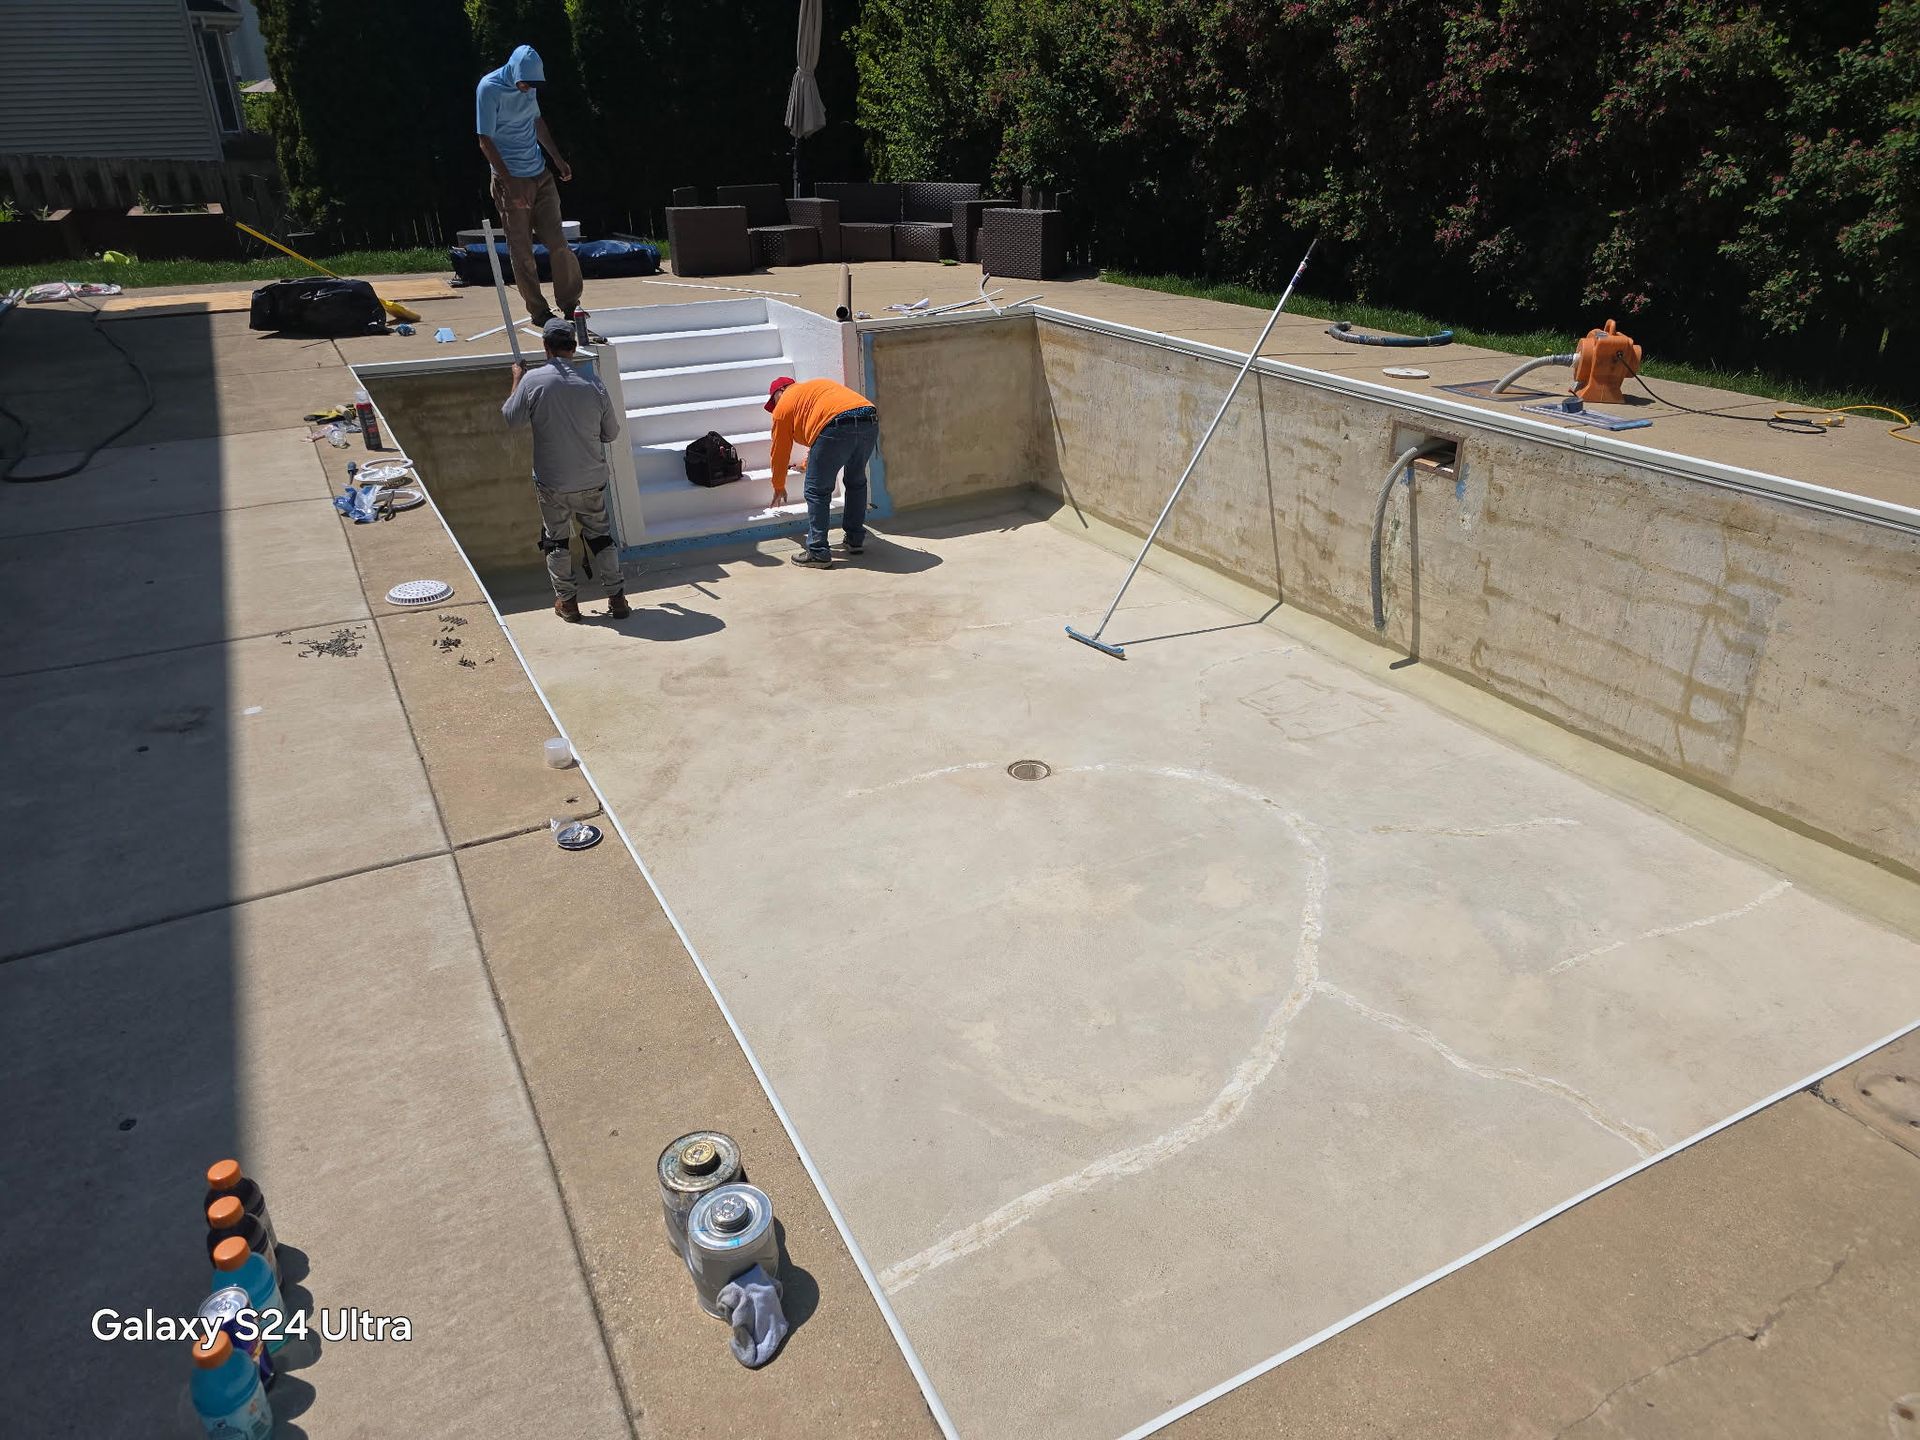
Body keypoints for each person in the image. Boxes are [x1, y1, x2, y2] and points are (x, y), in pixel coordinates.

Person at [503, 318, 628, 621]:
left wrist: (517, 378)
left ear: (546, 347)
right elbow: (611, 433)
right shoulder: (594, 383)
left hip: (553, 482)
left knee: (556, 539)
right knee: (601, 536)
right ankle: (617, 599)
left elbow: (511, 418)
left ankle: (568, 604)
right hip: (591, 478)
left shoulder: (534, 381)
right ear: (573, 346)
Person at [475, 44, 583, 327]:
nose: (527, 89)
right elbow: (484, 140)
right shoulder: (489, 89)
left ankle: (571, 305)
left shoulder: (529, 85)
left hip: (539, 173)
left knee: (558, 242)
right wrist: (510, 184)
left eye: (533, 85)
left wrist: (557, 159)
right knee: (522, 249)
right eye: (524, 83)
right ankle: (539, 312)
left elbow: (537, 123)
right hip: (508, 178)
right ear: (513, 72)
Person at [764, 376, 879, 569]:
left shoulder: (783, 407)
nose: (774, 408)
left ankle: (818, 552)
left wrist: (778, 485)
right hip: (869, 419)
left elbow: (780, 451)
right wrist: (808, 463)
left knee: (817, 491)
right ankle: (855, 539)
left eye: (773, 401)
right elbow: (825, 425)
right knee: (855, 482)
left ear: (780, 391)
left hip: (836, 427)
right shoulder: (816, 389)